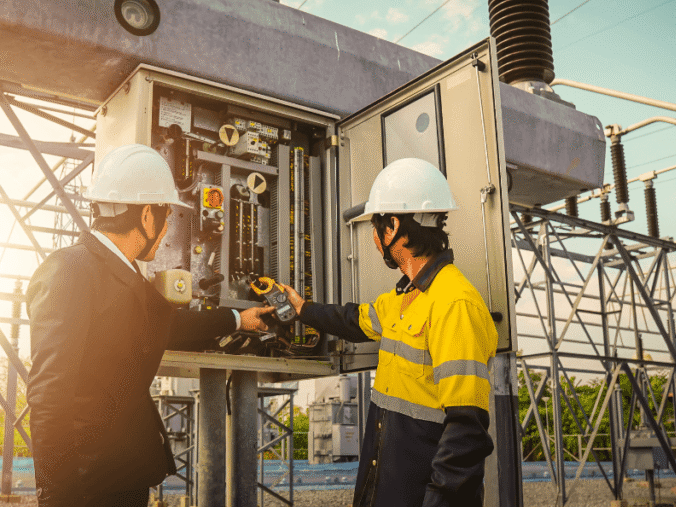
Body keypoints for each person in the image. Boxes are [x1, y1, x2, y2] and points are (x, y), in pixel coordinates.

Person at [25, 144, 274, 507]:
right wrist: (56, 498)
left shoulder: (123, 276)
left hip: (123, 476)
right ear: (146, 217)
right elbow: (48, 397)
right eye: (167, 217)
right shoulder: (69, 270)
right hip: (89, 488)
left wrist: (239, 318)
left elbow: (170, 326)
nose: (167, 229)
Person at [281, 157, 499, 507]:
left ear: (393, 226)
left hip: (421, 496)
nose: (373, 238)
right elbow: (352, 320)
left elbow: (467, 431)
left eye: (376, 226)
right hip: (387, 485)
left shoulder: (455, 303)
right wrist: (303, 309)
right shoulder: (405, 298)